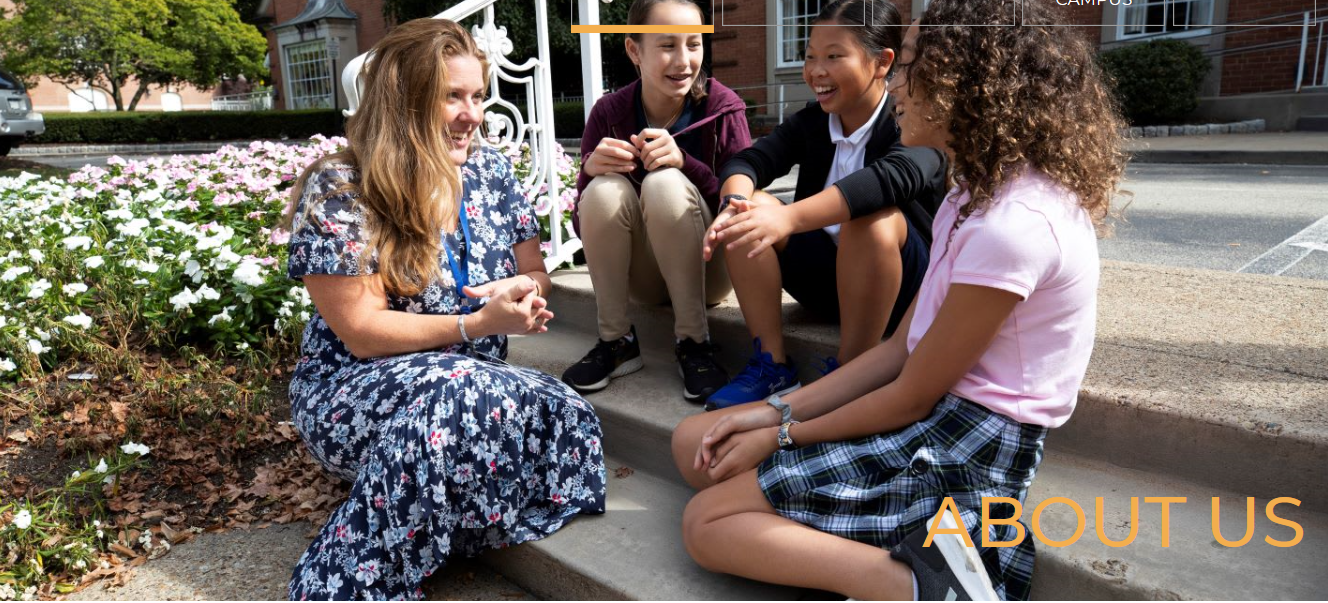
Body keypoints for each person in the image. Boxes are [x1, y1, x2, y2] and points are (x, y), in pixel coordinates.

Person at [671, 0, 1127, 599]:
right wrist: (772, 412)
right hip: (927, 414)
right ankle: (877, 541)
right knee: (693, 445)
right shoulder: (974, 195)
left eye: (909, 64)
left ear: (965, 84)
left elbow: (911, 395)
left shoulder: (1015, 225)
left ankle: (928, 586)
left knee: (706, 523)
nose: (898, 83)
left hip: (965, 449)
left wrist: (781, 435)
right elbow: (896, 352)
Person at [281, 19, 607, 600]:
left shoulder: (490, 171)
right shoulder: (341, 186)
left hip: (477, 380)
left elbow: (536, 272)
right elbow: (361, 332)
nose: (472, 114)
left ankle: (447, 506)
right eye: (453, 96)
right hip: (356, 386)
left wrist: (521, 291)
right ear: (404, 102)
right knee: (455, 391)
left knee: (565, 409)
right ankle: (345, 583)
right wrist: (474, 324)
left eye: (478, 96)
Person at [702, 0, 948, 411]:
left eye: (834, 56)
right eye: (810, 56)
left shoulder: (914, 122)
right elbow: (750, 161)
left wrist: (787, 217)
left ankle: (849, 376)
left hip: (901, 290)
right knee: (750, 208)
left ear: (882, 62)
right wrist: (735, 201)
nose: (816, 70)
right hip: (824, 282)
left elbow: (887, 180)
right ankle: (771, 364)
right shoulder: (813, 121)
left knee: (871, 219)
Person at [561, 0, 752, 402]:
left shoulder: (722, 108)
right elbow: (582, 227)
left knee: (664, 183)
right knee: (604, 189)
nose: (683, 61)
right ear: (634, 50)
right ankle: (616, 341)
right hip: (643, 278)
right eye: (667, 45)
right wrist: (588, 173)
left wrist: (686, 164)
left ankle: (695, 343)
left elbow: (743, 209)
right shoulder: (609, 113)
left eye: (694, 44)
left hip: (709, 269)